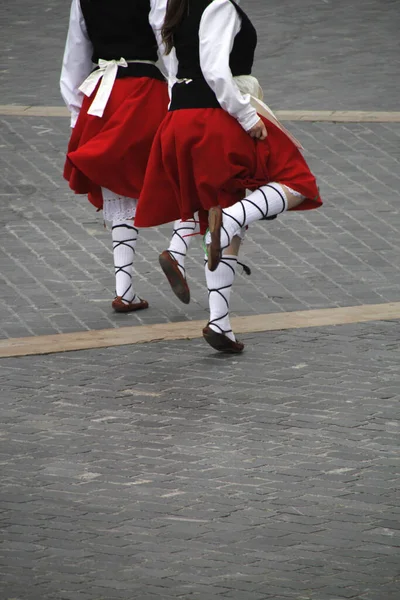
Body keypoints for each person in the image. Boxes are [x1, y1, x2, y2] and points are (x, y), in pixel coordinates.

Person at [134, 0, 322, 352]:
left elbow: (174, 68)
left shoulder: (173, 6)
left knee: (216, 217)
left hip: (178, 121)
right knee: (297, 181)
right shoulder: (219, 4)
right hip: (214, 117)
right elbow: (216, 71)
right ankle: (233, 218)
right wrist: (249, 119)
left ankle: (220, 324)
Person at [60, 0, 170, 313]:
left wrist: (76, 114)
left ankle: (125, 289)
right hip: (145, 92)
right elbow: (166, 43)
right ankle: (178, 252)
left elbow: (75, 57)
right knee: (178, 170)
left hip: (102, 97)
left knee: (116, 189)